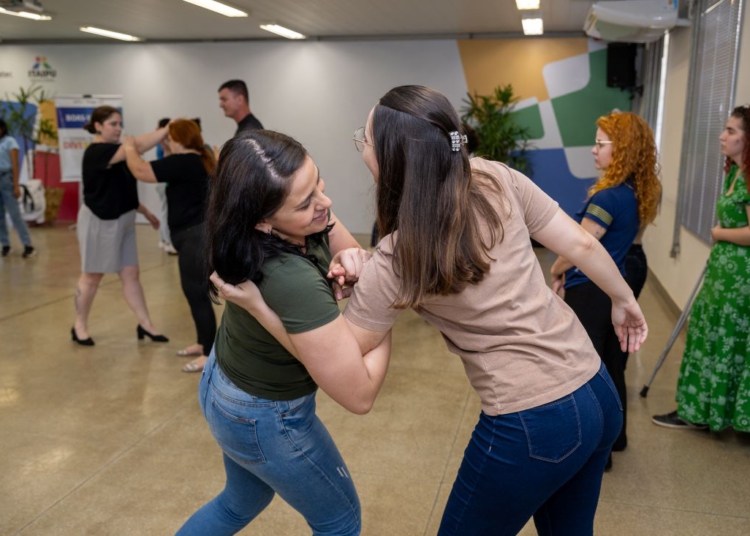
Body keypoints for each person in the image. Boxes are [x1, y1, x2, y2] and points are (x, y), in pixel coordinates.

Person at [215, 85, 648, 535]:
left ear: (389, 163)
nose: (361, 149)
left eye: (363, 142)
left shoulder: (399, 257)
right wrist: (624, 300)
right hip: (596, 390)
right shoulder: (494, 176)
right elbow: (580, 243)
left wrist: (266, 308)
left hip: (533, 420)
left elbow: (348, 374)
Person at [176, 130, 391, 535]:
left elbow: (359, 258)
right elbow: (358, 394)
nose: (325, 203)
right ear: (262, 220)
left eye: (319, 183)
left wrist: (354, 260)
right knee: (340, 522)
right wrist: (383, 309)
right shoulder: (291, 279)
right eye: (306, 202)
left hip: (227, 386)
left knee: (239, 503)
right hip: (264, 414)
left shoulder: (284, 223)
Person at [550, 112, 661, 464]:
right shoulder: (633, 193)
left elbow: (578, 246)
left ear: (622, 149)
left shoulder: (608, 198)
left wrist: (555, 269)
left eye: (600, 144)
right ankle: (616, 439)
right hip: (612, 286)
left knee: (585, 366)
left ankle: (594, 449)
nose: (593, 150)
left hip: (590, 288)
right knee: (613, 363)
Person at [653, 104, 750, 432]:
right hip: (725, 273)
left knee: (727, 341)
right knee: (710, 336)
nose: (722, 136)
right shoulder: (734, 172)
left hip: (740, 277)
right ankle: (703, 410)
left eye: (732, 131)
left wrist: (718, 233)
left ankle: (715, 414)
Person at [123, 119, 216, 373]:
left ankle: (209, 354)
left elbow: (140, 171)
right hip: (196, 238)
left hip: (193, 239)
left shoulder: (183, 161)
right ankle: (202, 343)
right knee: (195, 295)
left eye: (169, 138)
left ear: (178, 140)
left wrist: (130, 147)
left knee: (197, 296)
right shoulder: (201, 158)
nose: (167, 143)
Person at [72, 106, 168, 346]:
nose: (118, 128)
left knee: (131, 274)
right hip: (100, 220)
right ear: (98, 126)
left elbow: (122, 187)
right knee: (92, 277)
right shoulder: (96, 152)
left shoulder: (120, 152)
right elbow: (138, 146)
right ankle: (79, 325)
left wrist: (145, 212)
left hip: (124, 219)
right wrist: (167, 130)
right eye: (112, 124)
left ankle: (146, 324)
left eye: (119, 124)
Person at [0, 117, 36, 258]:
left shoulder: (10, 142)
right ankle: (5, 245)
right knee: (0, 216)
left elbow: (15, 165)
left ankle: (28, 245)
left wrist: (16, 185)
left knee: (15, 215)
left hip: (6, 179)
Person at [154, 117, 178, 256]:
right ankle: (167, 241)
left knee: (164, 211)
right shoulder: (164, 144)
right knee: (166, 211)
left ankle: (164, 240)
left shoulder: (160, 143)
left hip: (162, 180)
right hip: (165, 181)